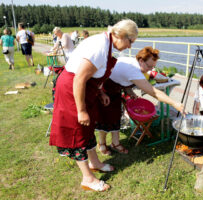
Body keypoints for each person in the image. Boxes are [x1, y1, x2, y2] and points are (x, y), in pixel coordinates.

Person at [49, 19, 138, 192]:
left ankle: (95, 162)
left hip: (86, 89)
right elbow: (80, 79)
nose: (129, 46)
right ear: (121, 35)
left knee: (89, 127)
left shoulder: (107, 44)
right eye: (130, 41)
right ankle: (88, 178)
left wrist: (100, 92)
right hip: (72, 90)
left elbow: (92, 76)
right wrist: (81, 110)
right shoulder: (100, 47)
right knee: (78, 132)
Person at [96, 46, 184, 155]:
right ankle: (102, 144)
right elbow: (154, 92)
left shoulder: (135, 64)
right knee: (104, 119)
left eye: (153, 67)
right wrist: (174, 103)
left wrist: (130, 91)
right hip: (104, 90)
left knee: (115, 118)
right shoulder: (133, 70)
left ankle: (115, 143)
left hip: (116, 90)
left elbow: (123, 79)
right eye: (149, 66)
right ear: (141, 60)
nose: (151, 69)